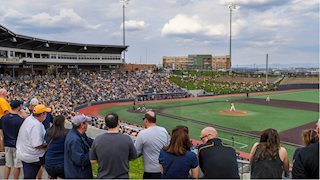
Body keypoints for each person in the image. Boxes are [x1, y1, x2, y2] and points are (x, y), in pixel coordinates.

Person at [90, 113, 137, 178]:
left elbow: (93, 160)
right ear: (118, 123)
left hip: (103, 176)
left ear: (106, 124)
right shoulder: (127, 139)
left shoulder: (98, 139)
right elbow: (133, 157)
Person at [16, 104, 51, 179]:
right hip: (32, 156)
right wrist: (49, 145)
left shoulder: (30, 119)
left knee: (28, 177)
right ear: (42, 114)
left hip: (24, 152)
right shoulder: (36, 125)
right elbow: (37, 144)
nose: (46, 115)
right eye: (45, 113)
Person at [135, 111, 170, 179]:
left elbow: (136, 153)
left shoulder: (142, 133)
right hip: (164, 170)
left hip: (150, 171)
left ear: (146, 120)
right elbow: (168, 147)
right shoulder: (164, 130)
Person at [0, 100, 24, 179]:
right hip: (18, 145)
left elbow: (1, 132)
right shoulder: (21, 120)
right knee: (17, 165)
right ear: (19, 107)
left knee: (8, 164)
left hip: (7, 144)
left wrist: (2, 145)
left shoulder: (3, 118)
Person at [64, 114, 93, 179]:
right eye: (87, 123)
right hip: (77, 175)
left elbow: (90, 141)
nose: (88, 124)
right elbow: (80, 161)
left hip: (76, 172)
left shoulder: (78, 133)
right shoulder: (75, 140)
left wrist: (101, 142)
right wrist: (93, 152)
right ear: (82, 125)